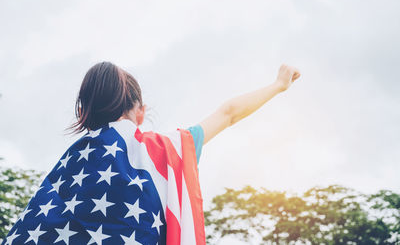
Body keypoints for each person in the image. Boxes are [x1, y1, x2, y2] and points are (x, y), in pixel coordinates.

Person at [2, 62, 300, 245]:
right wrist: (278, 85)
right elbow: (228, 113)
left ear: (86, 111)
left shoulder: (71, 163)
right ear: (140, 112)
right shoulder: (166, 151)